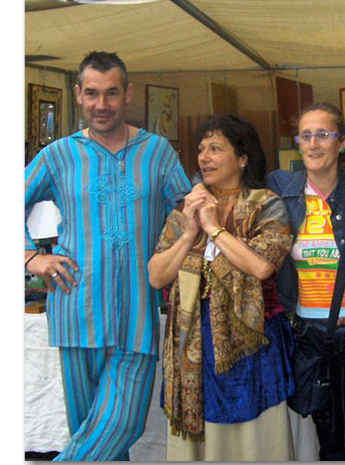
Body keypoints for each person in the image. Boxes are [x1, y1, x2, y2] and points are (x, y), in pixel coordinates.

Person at [24, 51, 191, 461]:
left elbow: (188, 210)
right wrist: (32, 258)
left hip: (138, 315)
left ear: (127, 94)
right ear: (78, 94)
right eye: (92, 94)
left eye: (111, 93)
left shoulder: (157, 152)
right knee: (94, 434)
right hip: (76, 310)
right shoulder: (58, 155)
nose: (102, 104)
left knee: (122, 424)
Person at [148, 115, 296, 460]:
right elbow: (157, 276)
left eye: (215, 149)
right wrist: (189, 233)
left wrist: (214, 229)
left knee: (252, 441)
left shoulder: (267, 204)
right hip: (194, 342)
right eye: (201, 149)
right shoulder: (188, 209)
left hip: (250, 342)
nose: (204, 157)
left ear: (242, 158)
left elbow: (261, 266)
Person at [267, 103, 345, 461]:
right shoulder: (283, 188)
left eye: (323, 134)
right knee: (329, 440)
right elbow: (235, 181)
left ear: (343, 142)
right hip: (311, 335)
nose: (313, 143)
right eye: (305, 135)